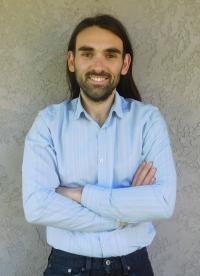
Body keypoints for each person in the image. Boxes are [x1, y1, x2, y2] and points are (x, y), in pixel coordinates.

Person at [22, 14, 176, 276]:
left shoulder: (147, 120)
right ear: (72, 61)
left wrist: (79, 194)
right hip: (66, 267)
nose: (99, 65)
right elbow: (37, 206)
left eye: (110, 55)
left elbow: (162, 201)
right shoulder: (48, 122)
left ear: (125, 64)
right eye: (88, 54)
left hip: (133, 267)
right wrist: (124, 215)